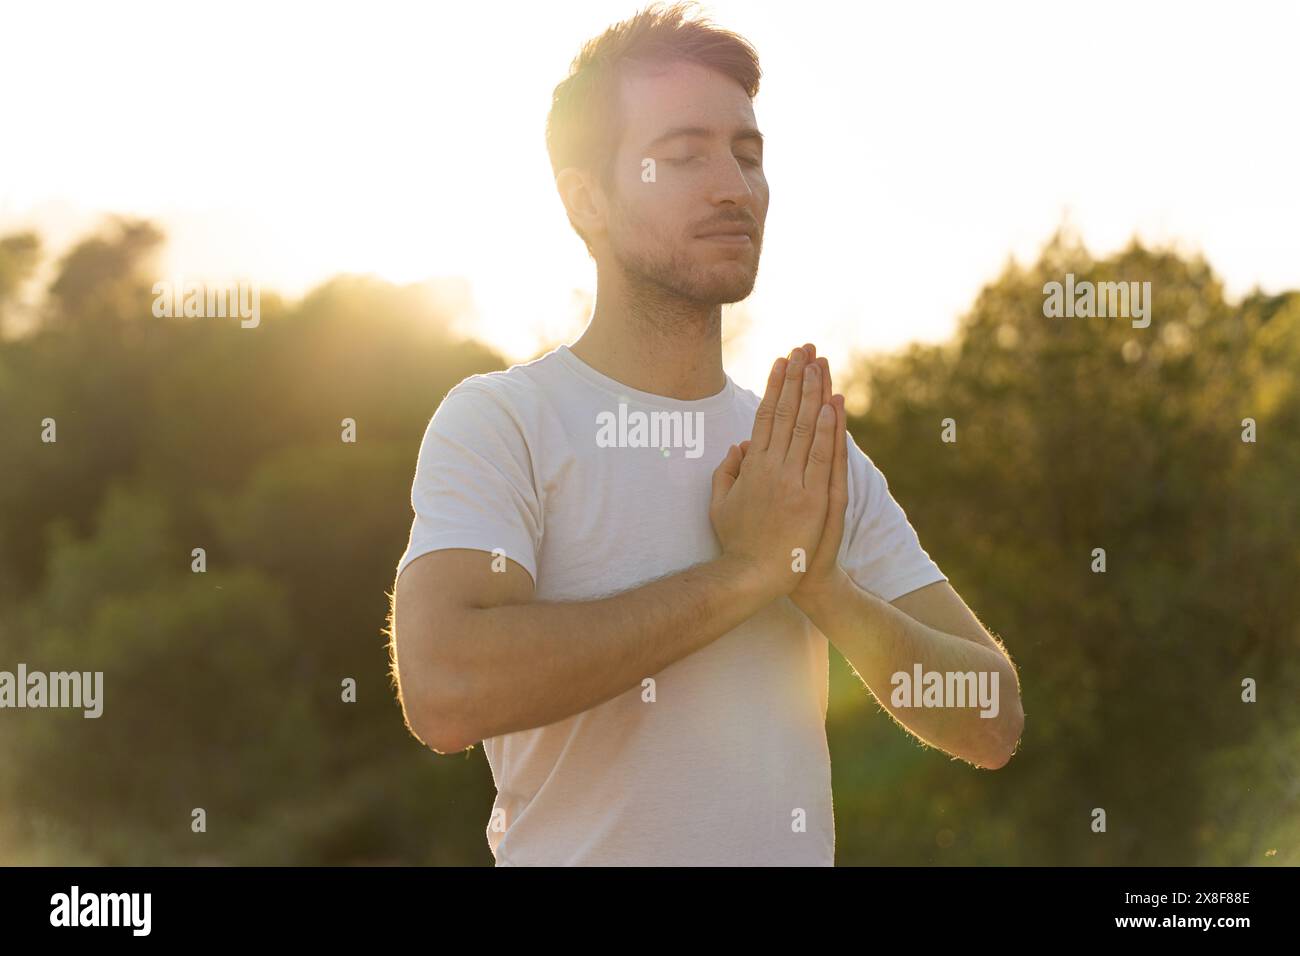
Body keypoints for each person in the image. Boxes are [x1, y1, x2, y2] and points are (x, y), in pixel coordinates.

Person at [390, 2, 1023, 866]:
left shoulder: (804, 454)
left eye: (748, 154)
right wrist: (747, 575)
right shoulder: (505, 421)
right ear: (588, 202)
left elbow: (991, 720)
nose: (734, 185)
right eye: (683, 155)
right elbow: (445, 691)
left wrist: (820, 585)